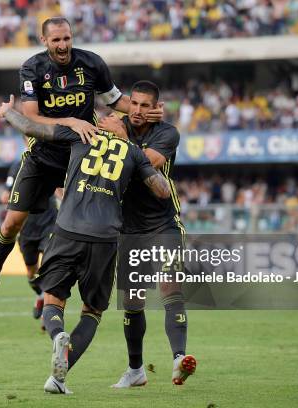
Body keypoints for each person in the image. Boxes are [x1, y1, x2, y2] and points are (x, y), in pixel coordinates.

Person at [0, 16, 164, 313]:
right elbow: (32, 118)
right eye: (56, 40)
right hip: (42, 157)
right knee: (11, 225)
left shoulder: (92, 64)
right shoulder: (32, 69)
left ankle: (73, 290)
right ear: (44, 41)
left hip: (80, 158)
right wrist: (71, 121)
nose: (62, 45)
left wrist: (144, 110)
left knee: (81, 223)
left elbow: (115, 101)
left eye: (67, 38)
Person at [0, 95, 171, 394]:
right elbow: (163, 191)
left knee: (53, 299)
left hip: (68, 229)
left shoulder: (80, 135)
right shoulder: (133, 152)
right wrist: (139, 162)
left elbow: (32, 127)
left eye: (109, 117)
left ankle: (57, 335)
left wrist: (8, 112)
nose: (106, 118)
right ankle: (59, 378)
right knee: (92, 312)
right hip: (105, 237)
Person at [102, 81, 196, 388]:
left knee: (170, 288)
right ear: (127, 103)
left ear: (156, 106)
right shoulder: (116, 126)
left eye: (145, 105)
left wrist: (121, 137)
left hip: (163, 225)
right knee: (132, 302)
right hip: (128, 230)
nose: (139, 110)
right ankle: (135, 370)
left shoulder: (167, 133)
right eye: (135, 104)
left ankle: (179, 359)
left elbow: (148, 163)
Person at [4, 157, 58, 319]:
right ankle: (41, 294)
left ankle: (49, 313)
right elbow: (5, 195)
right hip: (26, 228)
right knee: (31, 272)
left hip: (49, 223)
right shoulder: (16, 167)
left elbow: (60, 188)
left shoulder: (51, 159)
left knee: (49, 264)